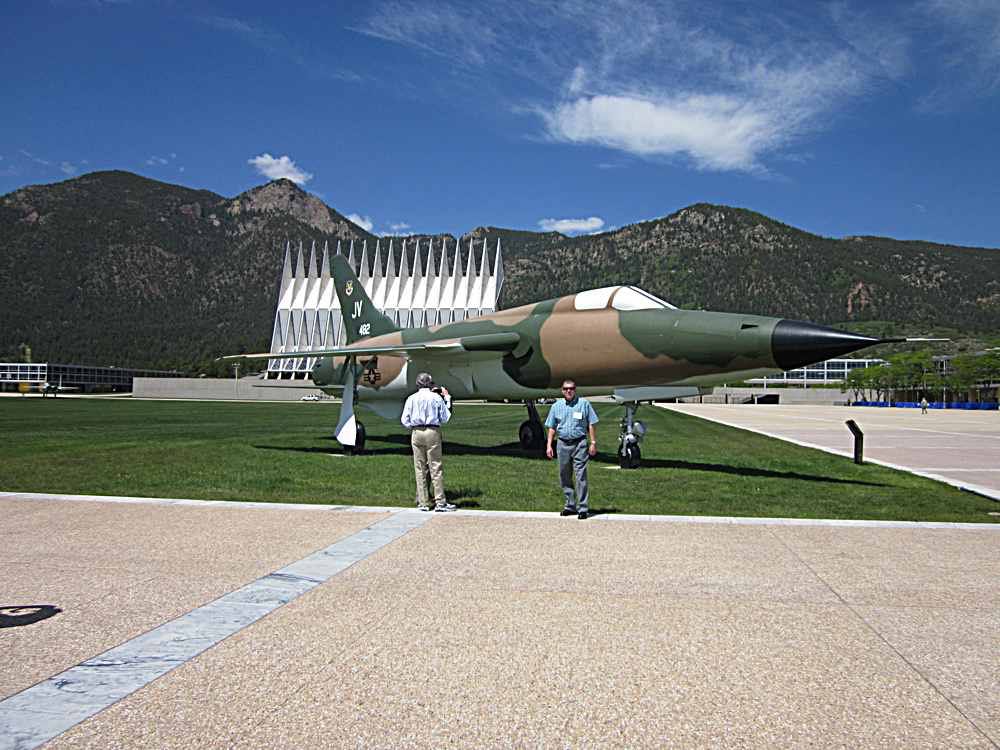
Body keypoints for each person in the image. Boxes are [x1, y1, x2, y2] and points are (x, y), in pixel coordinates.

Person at [545, 379, 599, 519]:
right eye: (566, 389)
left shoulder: (584, 404)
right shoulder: (556, 406)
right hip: (562, 444)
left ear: (575, 390)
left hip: (579, 443)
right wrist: (549, 445)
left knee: (580, 476)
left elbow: (591, 424)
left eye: (571, 388)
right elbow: (552, 427)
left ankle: (583, 508)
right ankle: (570, 506)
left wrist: (593, 442)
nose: (569, 391)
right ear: (562, 390)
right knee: (564, 475)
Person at [400, 372, 453, 512]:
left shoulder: (411, 398)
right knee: (435, 467)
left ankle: (423, 502)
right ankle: (440, 502)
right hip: (432, 431)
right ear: (430, 383)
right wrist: (447, 398)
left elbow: (404, 420)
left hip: (416, 432)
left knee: (420, 468)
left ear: (417, 384)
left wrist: (414, 426)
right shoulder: (436, 397)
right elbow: (445, 418)